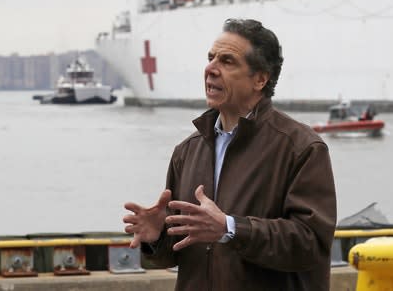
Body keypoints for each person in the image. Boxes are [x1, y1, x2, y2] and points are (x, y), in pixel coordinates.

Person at [123, 18, 337, 290]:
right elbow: (181, 252)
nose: (210, 69)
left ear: (260, 78)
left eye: (227, 61)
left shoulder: (301, 148)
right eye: (210, 58)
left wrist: (230, 228)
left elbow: (310, 244)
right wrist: (157, 237)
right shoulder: (187, 152)